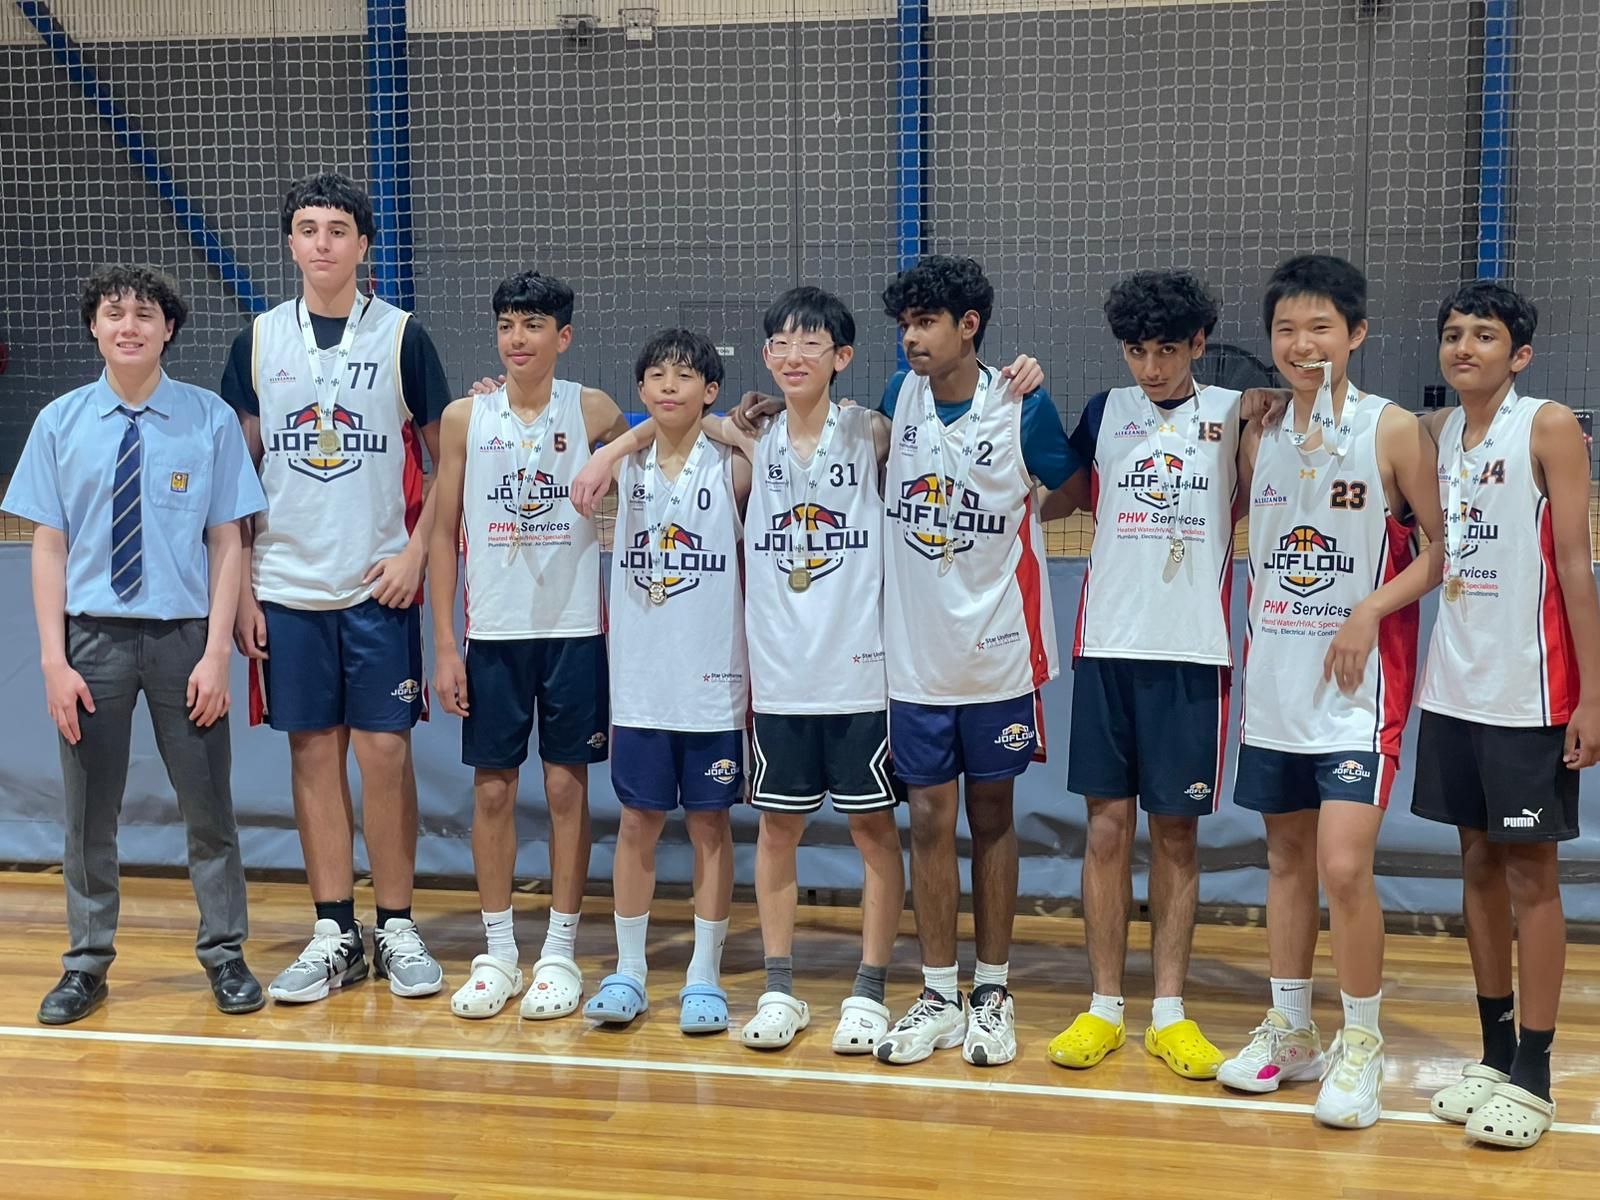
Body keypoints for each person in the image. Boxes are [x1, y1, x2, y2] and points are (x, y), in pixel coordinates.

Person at [4, 266, 266, 1023]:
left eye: (144, 315)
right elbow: (47, 548)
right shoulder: (58, 423)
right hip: (92, 642)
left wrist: (217, 651)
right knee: (89, 814)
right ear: (95, 327)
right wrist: (54, 661)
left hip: (186, 638)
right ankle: (86, 964)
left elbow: (228, 541)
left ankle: (225, 953)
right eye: (114, 314)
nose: (129, 326)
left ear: (169, 330)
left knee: (208, 807)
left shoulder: (209, 419)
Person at [1221, 254, 1444, 1130]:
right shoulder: (1262, 428)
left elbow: (1439, 547)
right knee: (1284, 862)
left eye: (1320, 328)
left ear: (1354, 334)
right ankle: (1292, 1028)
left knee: (1343, 867)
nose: (1301, 344)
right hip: (1275, 685)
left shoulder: (1392, 430)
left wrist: (1367, 612)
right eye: (1286, 330)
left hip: (1358, 690)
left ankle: (1362, 1043)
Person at [222, 172, 450, 1003]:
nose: (322, 241)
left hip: (377, 583)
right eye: (308, 228)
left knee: (384, 754)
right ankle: (333, 931)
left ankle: (395, 925)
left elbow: (445, 459)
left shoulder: (401, 336)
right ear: (291, 243)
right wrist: (243, 585)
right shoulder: (256, 341)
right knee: (312, 754)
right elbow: (233, 477)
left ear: (363, 245)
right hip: (285, 583)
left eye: (338, 228)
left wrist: (418, 553)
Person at [873, 255, 1079, 1068]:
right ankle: (935, 990)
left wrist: (1029, 501)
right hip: (916, 657)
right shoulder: (897, 398)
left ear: (971, 326)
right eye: (906, 324)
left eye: (927, 322)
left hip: (997, 652)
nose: (913, 337)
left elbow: (1071, 490)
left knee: (992, 817)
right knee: (926, 818)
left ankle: (992, 991)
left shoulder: (1020, 404)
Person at [1411, 281, 1600, 1149]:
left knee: (1532, 877)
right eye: (1453, 335)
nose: (1464, 349)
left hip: (1530, 691)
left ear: (1518, 354)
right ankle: (1492, 1056)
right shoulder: (1433, 433)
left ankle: (1536, 1071)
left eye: (1484, 336)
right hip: (1454, 688)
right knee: (1477, 865)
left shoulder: (1550, 426)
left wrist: (1592, 695)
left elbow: (1574, 566)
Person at [1047, 270, 1241, 1080]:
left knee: (1177, 834)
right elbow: (1052, 500)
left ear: (1199, 344)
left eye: (1167, 350)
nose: (1151, 367)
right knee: (1103, 831)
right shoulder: (1104, 413)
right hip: (1107, 649)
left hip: (1192, 653)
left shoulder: (1237, 415)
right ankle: (1102, 1007)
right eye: (1137, 351)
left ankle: (1169, 1011)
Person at [428, 270, 629, 1020]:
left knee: (569, 789)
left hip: (573, 631)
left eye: (534, 325)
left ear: (563, 336)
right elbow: (443, 534)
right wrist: (446, 644)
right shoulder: (463, 418)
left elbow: (659, 434)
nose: (519, 338)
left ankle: (560, 953)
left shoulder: (592, 407)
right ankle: (500, 951)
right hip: (494, 633)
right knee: (493, 789)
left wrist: (610, 455)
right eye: (509, 324)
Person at [575, 328, 749, 1034]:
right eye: (656, 375)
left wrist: (722, 427)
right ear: (641, 391)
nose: (669, 385)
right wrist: (621, 444)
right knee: (638, 823)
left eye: (685, 376)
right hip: (642, 683)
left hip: (713, 682)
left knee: (711, 823)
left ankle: (704, 974)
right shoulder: (621, 467)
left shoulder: (730, 466)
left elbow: (781, 469)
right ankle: (631, 969)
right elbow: (582, 468)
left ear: (710, 390)